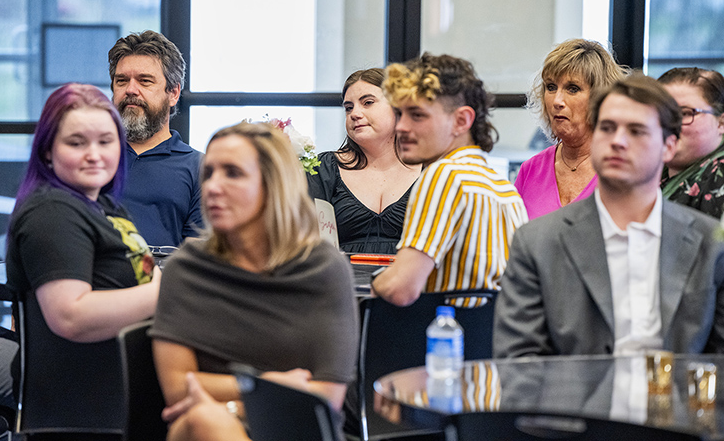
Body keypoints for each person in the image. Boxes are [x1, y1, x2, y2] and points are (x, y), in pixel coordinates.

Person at [150, 122, 358, 439]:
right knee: (206, 421)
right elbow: (179, 391)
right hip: (204, 430)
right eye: (209, 173)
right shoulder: (186, 268)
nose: (213, 186)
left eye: (233, 173)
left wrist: (231, 401)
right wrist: (275, 386)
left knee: (208, 415)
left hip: (299, 431)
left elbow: (326, 397)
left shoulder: (323, 268)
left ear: (273, 185)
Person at [494, 73, 724, 358]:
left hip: (673, 399)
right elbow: (520, 366)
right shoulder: (537, 243)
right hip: (567, 401)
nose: (617, 141)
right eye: (607, 128)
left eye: (636, 131)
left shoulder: (710, 246)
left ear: (668, 147)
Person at [6, 83, 161, 428]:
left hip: (127, 399)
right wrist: (169, 293)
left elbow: (145, 273)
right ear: (48, 150)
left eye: (106, 142)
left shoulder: (104, 204)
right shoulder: (51, 212)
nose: (95, 154)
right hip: (80, 412)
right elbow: (71, 316)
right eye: (77, 143)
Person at [370, 53, 528, 307]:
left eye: (417, 115)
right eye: (400, 114)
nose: (401, 127)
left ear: (461, 120)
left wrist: (363, 287)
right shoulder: (506, 191)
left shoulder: (444, 175)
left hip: (439, 340)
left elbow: (401, 288)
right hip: (490, 344)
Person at [308, 68, 421, 254]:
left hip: (411, 280)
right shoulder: (324, 168)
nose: (354, 114)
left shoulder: (432, 170)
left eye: (367, 103)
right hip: (341, 281)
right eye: (348, 108)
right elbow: (303, 240)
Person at [108, 30, 203, 249]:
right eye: (121, 81)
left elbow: (197, 262)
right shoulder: (92, 159)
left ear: (174, 93)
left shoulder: (200, 168)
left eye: (145, 81)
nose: (131, 90)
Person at [515, 38, 628, 219]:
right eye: (551, 87)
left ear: (601, 98)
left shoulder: (624, 171)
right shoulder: (530, 170)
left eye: (573, 89)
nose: (557, 101)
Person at [658, 67, 724, 218]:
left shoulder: (718, 176)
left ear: (721, 123)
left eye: (685, 113)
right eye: (660, 113)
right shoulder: (649, 169)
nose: (669, 123)